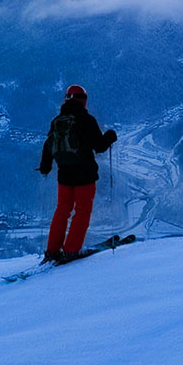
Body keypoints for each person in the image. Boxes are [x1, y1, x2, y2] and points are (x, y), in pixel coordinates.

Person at [38, 85, 117, 263]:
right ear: (83, 100)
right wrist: (110, 136)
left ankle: (52, 251)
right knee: (82, 211)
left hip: (64, 176)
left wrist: (45, 167)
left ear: (66, 99)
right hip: (85, 175)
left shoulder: (58, 121)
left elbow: (48, 146)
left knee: (62, 211)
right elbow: (100, 146)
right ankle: (71, 250)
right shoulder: (87, 120)